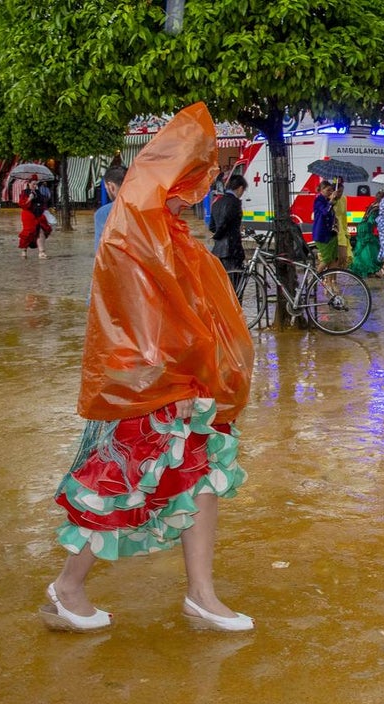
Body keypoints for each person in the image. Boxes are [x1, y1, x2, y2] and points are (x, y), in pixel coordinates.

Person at [41, 102, 255, 633]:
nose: (195, 192)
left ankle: (201, 594)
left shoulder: (159, 227)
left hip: (183, 383)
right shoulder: (137, 230)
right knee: (123, 480)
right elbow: (141, 319)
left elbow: (188, 309)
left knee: (199, 472)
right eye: (191, 178)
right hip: (155, 387)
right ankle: (68, 587)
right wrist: (174, 381)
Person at [209, 173, 248, 275]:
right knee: (235, 283)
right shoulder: (235, 203)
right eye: (243, 191)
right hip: (232, 250)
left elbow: (212, 227)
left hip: (217, 251)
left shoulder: (216, 202)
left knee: (223, 282)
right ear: (240, 188)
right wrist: (221, 234)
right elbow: (225, 222)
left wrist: (217, 236)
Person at [94, 165, 128, 255]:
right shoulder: (147, 208)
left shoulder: (104, 213)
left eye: (106, 188)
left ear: (111, 186)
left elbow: (101, 252)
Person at [18, 176, 52, 259]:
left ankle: (41, 252)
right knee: (29, 232)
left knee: (41, 230)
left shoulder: (38, 192)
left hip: (38, 214)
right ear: (29, 184)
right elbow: (22, 205)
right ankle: (24, 250)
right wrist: (29, 199)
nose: (34, 185)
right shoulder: (24, 192)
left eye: (36, 184)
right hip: (28, 215)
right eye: (33, 184)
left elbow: (43, 203)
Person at [311, 180, 341, 272]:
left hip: (331, 233)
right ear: (322, 190)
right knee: (326, 258)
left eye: (331, 190)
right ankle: (315, 277)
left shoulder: (328, 200)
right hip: (321, 234)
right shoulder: (318, 200)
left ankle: (330, 281)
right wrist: (331, 201)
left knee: (334, 258)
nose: (330, 192)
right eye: (328, 190)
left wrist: (334, 198)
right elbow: (324, 212)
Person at [350, 198, 383, 277]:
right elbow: (371, 220)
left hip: (362, 227)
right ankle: (369, 270)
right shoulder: (377, 208)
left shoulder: (373, 205)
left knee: (364, 249)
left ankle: (369, 270)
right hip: (366, 229)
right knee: (369, 250)